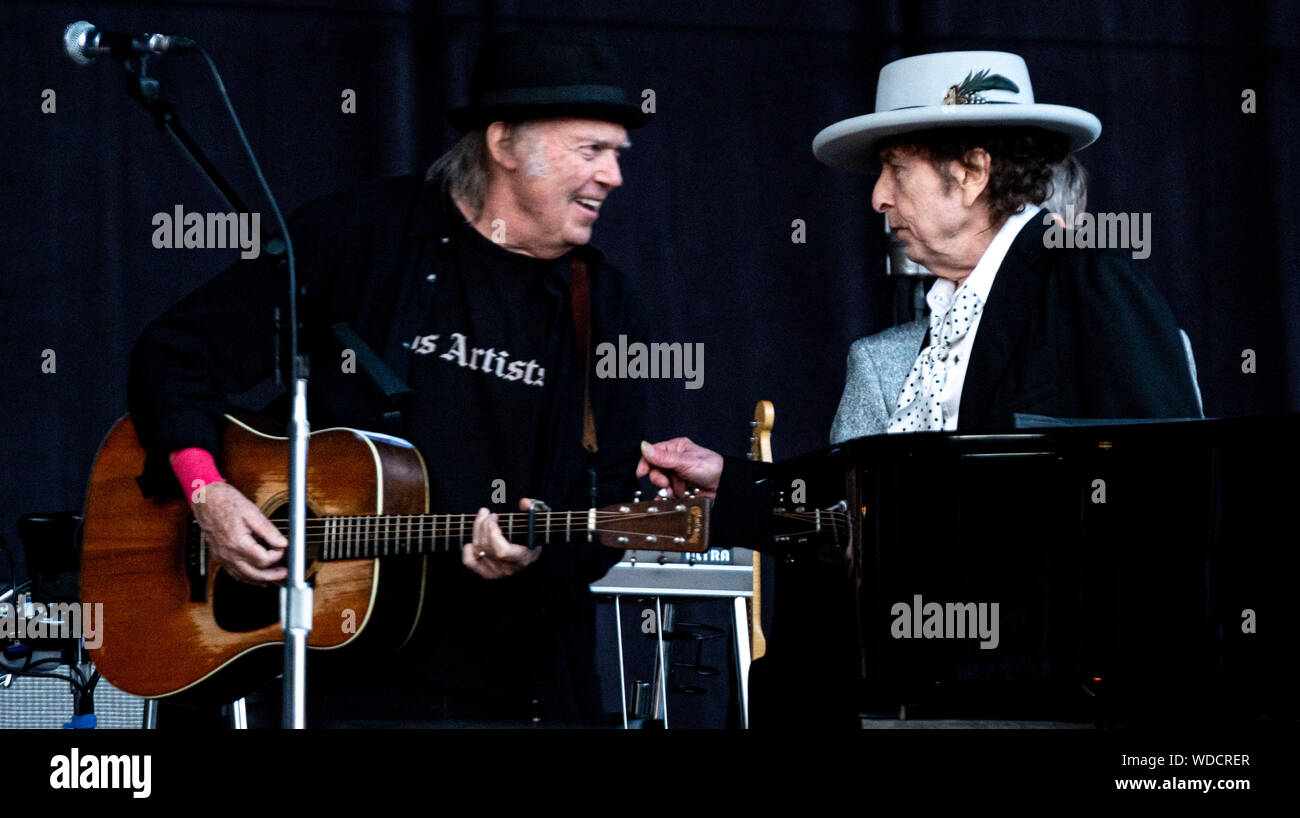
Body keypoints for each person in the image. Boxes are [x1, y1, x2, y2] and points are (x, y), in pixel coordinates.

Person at [128, 30, 652, 727]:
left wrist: (532, 558)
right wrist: (208, 491)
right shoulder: (359, 234)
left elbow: (607, 505)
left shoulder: (605, 306)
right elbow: (176, 353)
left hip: (511, 688)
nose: (613, 176)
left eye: (617, 154)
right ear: (503, 144)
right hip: (321, 679)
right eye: (591, 150)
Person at [639, 50, 1200, 530]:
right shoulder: (955, 311)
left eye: (896, 169)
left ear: (972, 172)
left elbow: (1171, 490)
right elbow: (869, 493)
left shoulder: (1088, 282)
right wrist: (731, 486)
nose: (878, 198)